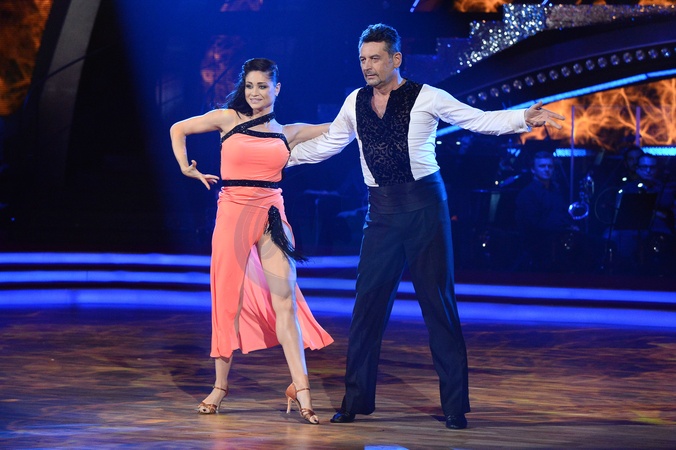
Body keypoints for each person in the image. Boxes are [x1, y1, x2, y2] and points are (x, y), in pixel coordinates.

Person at [286, 23, 564, 430]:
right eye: (362, 59)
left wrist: (524, 117)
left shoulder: (428, 96)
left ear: (396, 59)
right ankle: (355, 400)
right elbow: (328, 145)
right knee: (366, 307)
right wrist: (278, 159)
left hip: (425, 210)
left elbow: (478, 120)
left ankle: (454, 407)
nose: (367, 66)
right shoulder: (354, 102)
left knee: (438, 306)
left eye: (375, 58)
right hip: (381, 213)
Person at [169, 58, 333, 424]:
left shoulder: (288, 131)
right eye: (249, 86)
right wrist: (184, 167)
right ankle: (220, 387)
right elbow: (178, 128)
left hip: (272, 217)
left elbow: (339, 127)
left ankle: (302, 390)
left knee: (285, 302)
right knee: (227, 300)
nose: (254, 93)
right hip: (233, 215)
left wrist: (368, 107)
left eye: (262, 86)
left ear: (277, 88)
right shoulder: (227, 119)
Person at [514, 151, 582, 271]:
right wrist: (563, 228)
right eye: (542, 166)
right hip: (540, 244)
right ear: (533, 170)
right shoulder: (528, 194)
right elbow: (534, 224)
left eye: (550, 166)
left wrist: (571, 225)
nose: (547, 169)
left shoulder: (556, 191)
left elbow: (562, 213)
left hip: (559, 239)